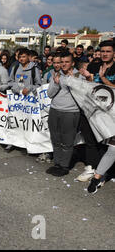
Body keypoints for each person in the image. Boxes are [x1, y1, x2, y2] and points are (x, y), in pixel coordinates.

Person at [76, 40, 115, 182]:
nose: (105, 54)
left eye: (108, 51)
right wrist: (87, 77)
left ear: (114, 53)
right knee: (90, 140)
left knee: (108, 143)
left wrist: (104, 79)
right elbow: (89, 86)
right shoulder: (94, 65)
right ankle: (92, 167)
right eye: (103, 51)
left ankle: (105, 171)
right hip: (92, 111)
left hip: (110, 114)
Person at [45, 53, 84, 177]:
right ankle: (57, 163)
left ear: (72, 63)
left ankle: (64, 165)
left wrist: (73, 81)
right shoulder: (56, 75)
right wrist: (56, 84)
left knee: (67, 140)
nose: (63, 64)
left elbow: (81, 95)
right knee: (55, 138)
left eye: (67, 62)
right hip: (55, 110)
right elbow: (50, 94)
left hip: (71, 112)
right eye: (62, 62)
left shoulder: (79, 76)